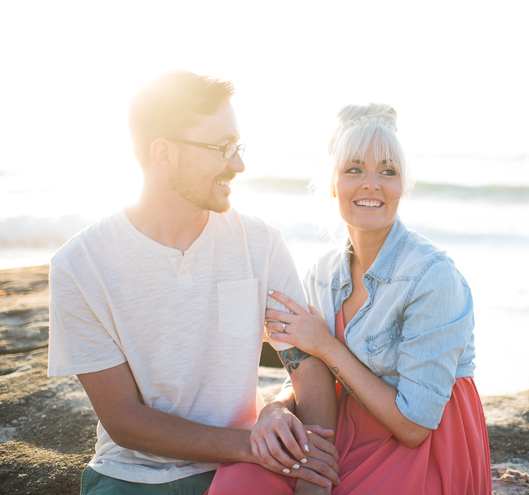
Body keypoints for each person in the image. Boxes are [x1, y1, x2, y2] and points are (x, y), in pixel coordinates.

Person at [47, 71, 340, 495]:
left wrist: (312, 476)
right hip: (129, 476)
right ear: (163, 154)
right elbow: (123, 419)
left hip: (243, 474)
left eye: (238, 146)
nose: (238, 164)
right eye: (223, 148)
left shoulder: (260, 244)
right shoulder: (79, 266)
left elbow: (306, 366)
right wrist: (251, 443)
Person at [207, 104, 491, 494]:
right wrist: (276, 407)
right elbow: (315, 375)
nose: (371, 183)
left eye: (387, 171)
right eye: (354, 169)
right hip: (345, 429)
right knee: (239, 480)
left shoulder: (433, 277)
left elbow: (414, 426)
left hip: (421, 448)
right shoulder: (322, 274)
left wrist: (326, 345)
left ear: (402, 186)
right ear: (333, 183)